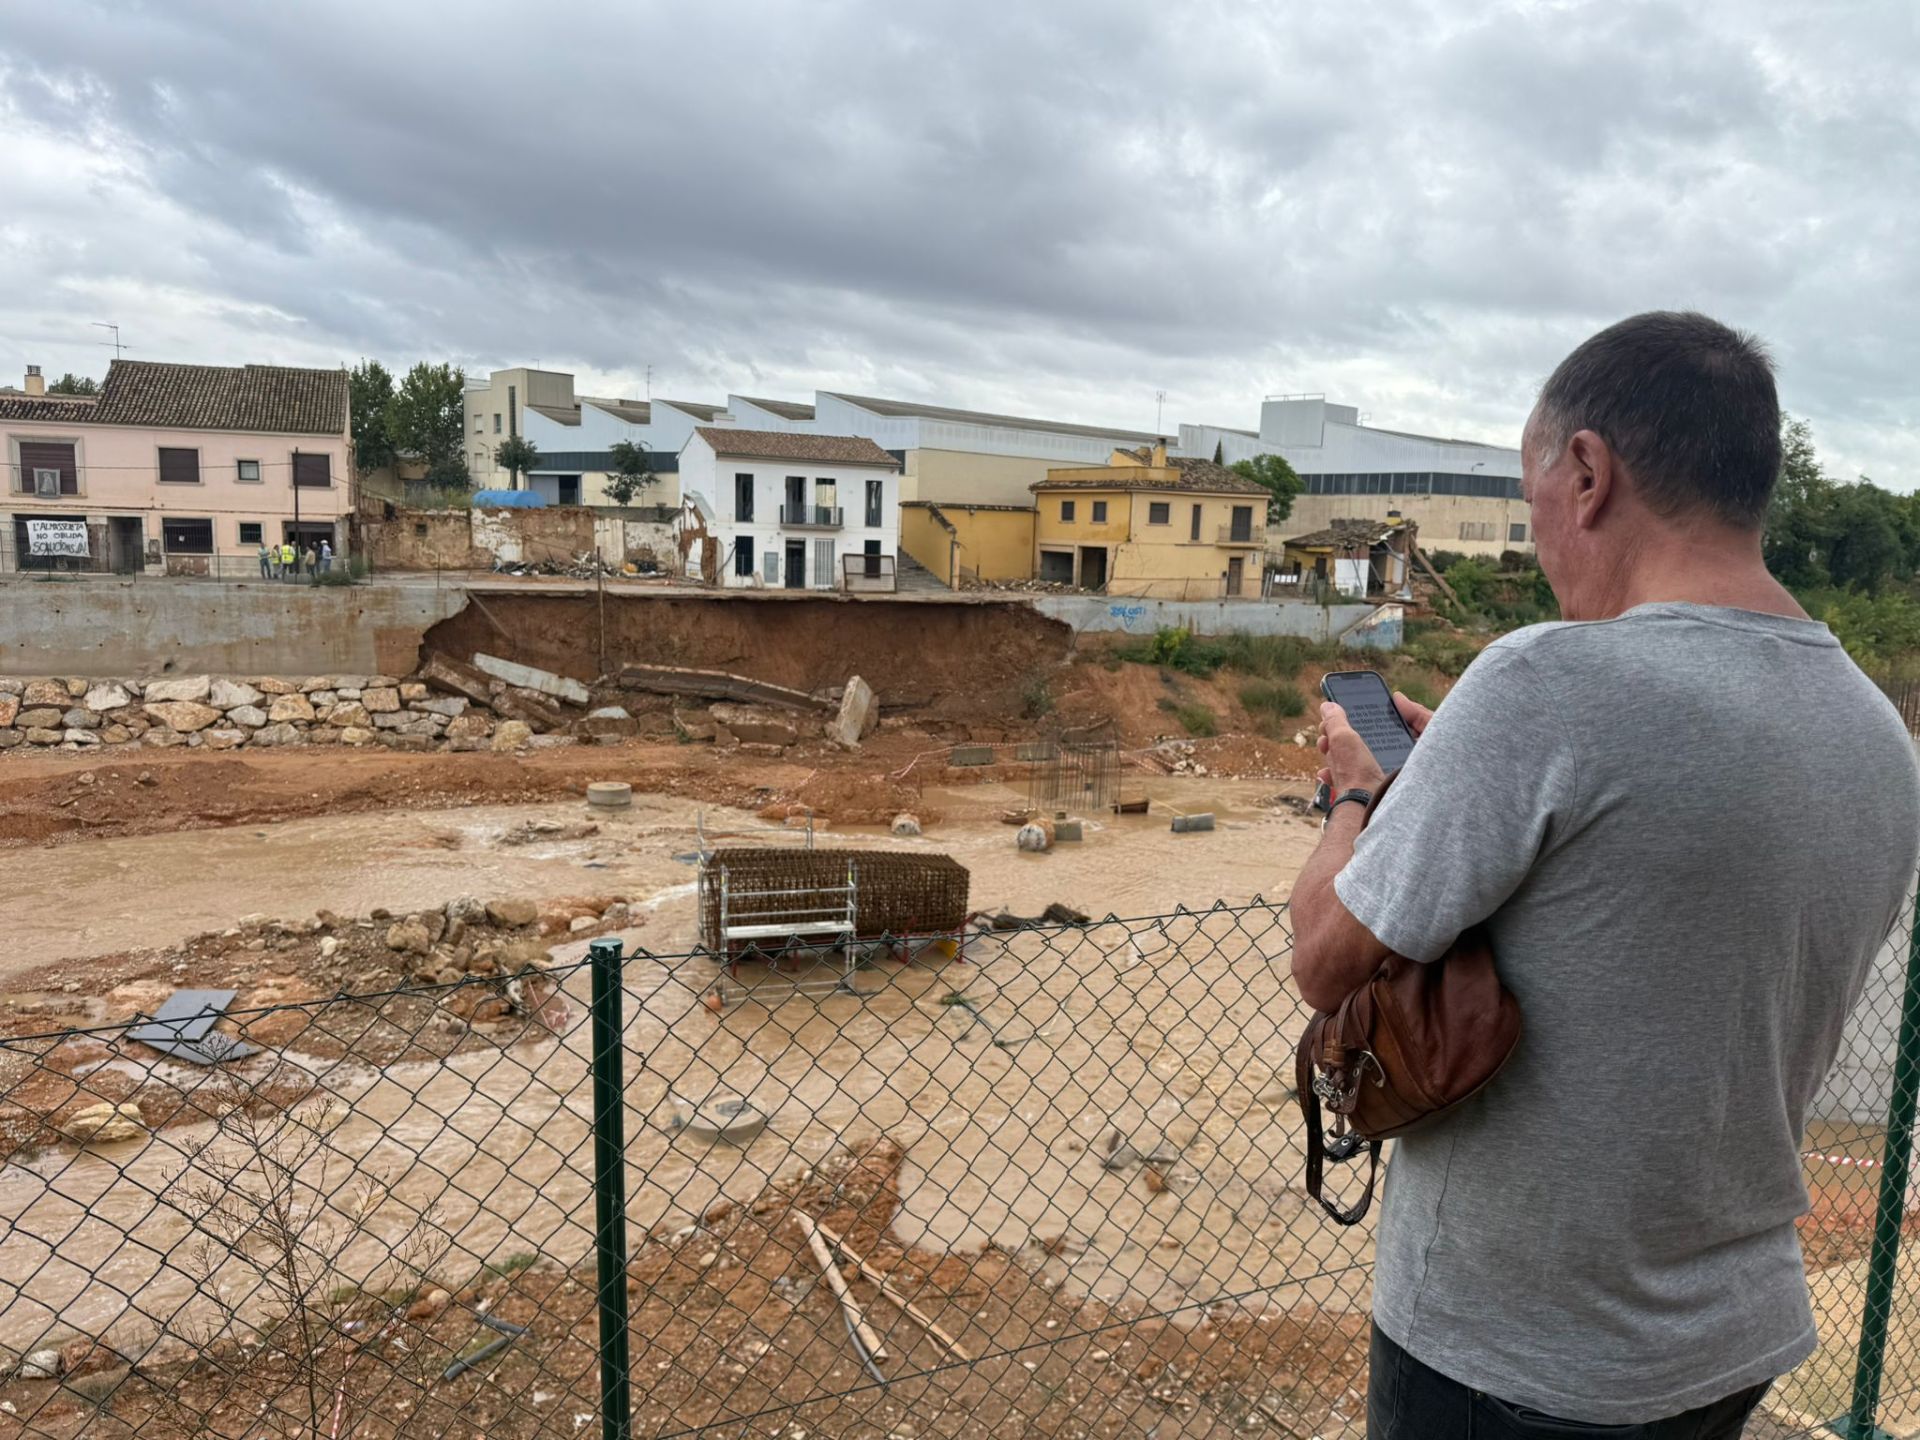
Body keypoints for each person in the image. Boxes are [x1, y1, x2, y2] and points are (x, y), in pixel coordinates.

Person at [1289, 311, 1920, 1438]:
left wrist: (1355, 796)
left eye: (1535, 509)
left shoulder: (1548, 683)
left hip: (1514, 1353)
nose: (1541, 548)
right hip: (1728, 1339)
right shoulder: (1876, 736)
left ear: (1587, 474)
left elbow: (1326, 956)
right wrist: (1451, 790)